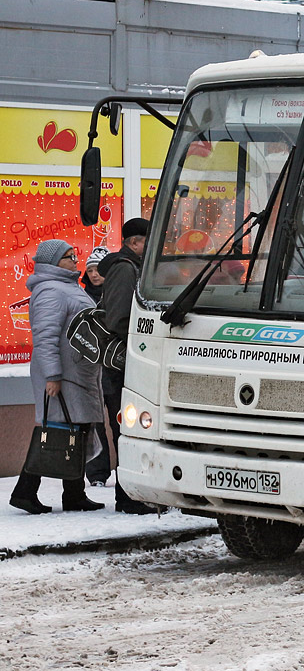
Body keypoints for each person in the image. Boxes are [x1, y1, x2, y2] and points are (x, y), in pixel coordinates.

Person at [9, 239, 105, 514]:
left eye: (74, 255)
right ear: (53, 261)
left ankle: (74, 494)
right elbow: (45, 337)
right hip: (62, 376)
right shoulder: (51, 290)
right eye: (68, 256)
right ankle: (25, 492)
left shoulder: (68, 286)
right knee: (56, 433)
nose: (75, 260)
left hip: (77, 373)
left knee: (77, 431)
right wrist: (53, 375)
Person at [96, 218, 156, 515]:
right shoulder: (124, 269)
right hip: (122, 365)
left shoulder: (135, 267)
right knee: (126, 430)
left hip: (130, 362)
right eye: (148, 241)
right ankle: (127, 497)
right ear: (135, 243)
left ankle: (135, 494)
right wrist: (142, 342)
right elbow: (118, 318)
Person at [82, 248, 112, 486]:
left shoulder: (120, 293)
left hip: (114, 367)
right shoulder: (81, 297)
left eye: (98, 269)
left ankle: (129, 471)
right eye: (90, 270)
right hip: (90, 369)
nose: (94, 274)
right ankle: (97, 474)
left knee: (121, 419)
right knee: (95, 422)